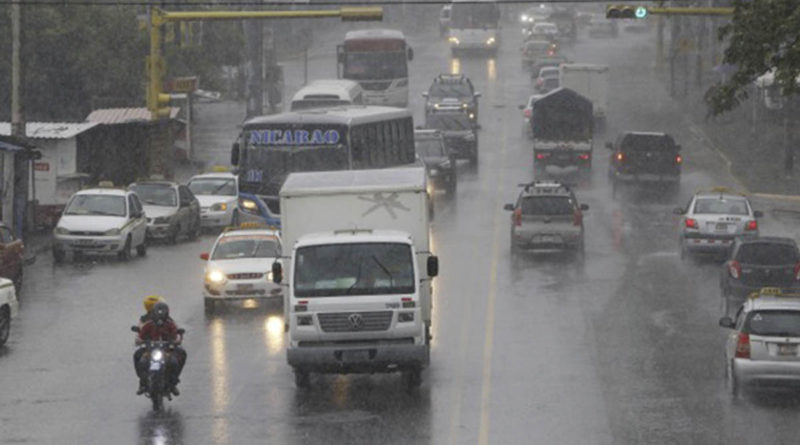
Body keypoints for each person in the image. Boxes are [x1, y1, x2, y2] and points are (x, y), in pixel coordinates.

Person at [135, 302, 186, 396]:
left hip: (167, 351)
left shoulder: (170, 325)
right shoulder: (148, 325)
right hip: (150, 350)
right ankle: (142, 383)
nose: (160, 317)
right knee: (139, 358)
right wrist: (140, 340)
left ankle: (173, 383)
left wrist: (176, 341)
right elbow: (139, 337)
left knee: (176, 360)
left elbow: (176, 337)